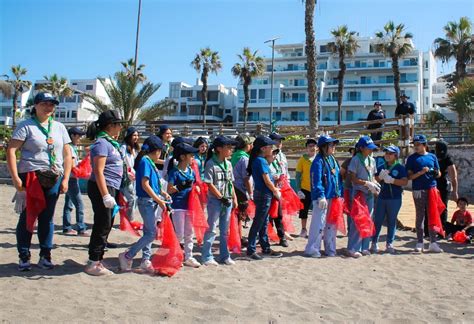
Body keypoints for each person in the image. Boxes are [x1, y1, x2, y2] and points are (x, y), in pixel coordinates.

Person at [7, 92, 72, 271]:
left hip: (54, 177)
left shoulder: (59, 127)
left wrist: (66, 178)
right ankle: (24, 255)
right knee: (28, 215)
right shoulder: (25, 126)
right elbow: (11, 151)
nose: (49, 107)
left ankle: (45, 255)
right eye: (44, 103)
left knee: (47, 218)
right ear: (35, 106)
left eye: (52, 104)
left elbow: (67, 154)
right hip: (32, 176)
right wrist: (16, 180)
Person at [118, 135, 170, 273]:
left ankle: (145, 259)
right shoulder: (145, 162)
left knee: (148, 231)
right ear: (156, 150)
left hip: (151, 200)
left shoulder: (148, 162)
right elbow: (145, 184)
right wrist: (159, 200)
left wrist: (162, 194)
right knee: (151, 233)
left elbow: (153, 183)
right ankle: (128, 255)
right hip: (146, 201)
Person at [84, 110, 126, 276]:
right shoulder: (102, 143)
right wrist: (105, 195)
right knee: (102, 223)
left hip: (111, 186)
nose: (120, 128)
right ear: (111, 126)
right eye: (118, 125)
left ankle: (97, 259)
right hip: (103, 186)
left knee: (107, 223)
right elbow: (99, 171)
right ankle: (94, 262)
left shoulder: (110, 143)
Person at [201, 136, 238, 266]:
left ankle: (224, 255)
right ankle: (206, 256)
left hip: (227, 200)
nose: (230, 150)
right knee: (211, 228)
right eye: (228, 147)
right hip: (215, 201)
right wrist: (220, 197)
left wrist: (234, 198)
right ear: (219, 149)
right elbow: (209, 184)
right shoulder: (211, 163)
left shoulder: (228, 163)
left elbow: (230, 182)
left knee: (225, 230)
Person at [304, 135, 342, 258]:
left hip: (333, 196)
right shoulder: (318, 161)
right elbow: (316, 180)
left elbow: (337, 178)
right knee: (318, 224)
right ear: (324, 147)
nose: (334, 147)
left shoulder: (333, 159)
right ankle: (312, 248)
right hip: (322, 198)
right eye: (331, 145)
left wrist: (339, 193)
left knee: (331, 225)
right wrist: (320, 196)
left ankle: (330, 248)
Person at [246, 135, 283, 260]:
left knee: (263, 221)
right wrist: (275, 190)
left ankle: (265, 246)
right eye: (270, 146)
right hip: (264, 193)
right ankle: (251, 249)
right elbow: (266, 180)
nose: (272, 148)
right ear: (263, 148)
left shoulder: (259, 160)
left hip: (262, 193)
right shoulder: (260, 161)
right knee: (259, 222)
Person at [406, 134, 443, 253]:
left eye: (418, 144)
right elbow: (410, 176)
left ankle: (433, 242)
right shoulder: (411, 158)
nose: (416, 146)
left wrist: (435, 173)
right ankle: (420, 242)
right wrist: (421, 173)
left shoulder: (432, 156)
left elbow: (439, 174)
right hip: (418, 189)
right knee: (420, 216)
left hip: (432, 189)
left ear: (424, 145)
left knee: (433, 215)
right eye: (414, 144)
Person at [167, 143, 202, 268]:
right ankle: (174, 256)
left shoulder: (191, 171)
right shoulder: (174, 172)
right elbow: (169, 189)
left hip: (189, 205)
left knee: (189, 232)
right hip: (178, 206)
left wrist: (196, 188)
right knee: (179, 233)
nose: (193, 157)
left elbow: (194, 185)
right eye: (191, 155)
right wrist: (180, 186)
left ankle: (189, 256)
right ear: (182, 157)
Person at [347, 136, 380, 258]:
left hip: (369, 194)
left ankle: (364, 246)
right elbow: (353, 179)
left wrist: (375, 184)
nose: (371, 150)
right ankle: (352, 248)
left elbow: (373, 176)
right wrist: (366, 183)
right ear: (361, 148)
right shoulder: (355, 160)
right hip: (359, 194)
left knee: (368, 220)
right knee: (357, 220)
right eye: (368, 148)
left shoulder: (372, 160)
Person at [372, 145, 408, 254]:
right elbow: (376, 179)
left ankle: (389, 243)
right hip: (382, 197)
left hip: (395, 198)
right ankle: (374, 242)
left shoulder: (400, 168)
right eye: (386, 153)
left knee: (392, 221)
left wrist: (392, 180)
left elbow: (405, 182)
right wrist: (381, 177)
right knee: (377, 220)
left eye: (390, 153)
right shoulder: (382, 166)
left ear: (395, 155)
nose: (387, 155)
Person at [62, 126, 88, 236]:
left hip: (70, 178)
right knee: (79, 204)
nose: (80, 138)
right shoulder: (70, 148)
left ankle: (67, 227)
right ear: (72, 136)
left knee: (68, 204)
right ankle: (81, 228)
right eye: (79, 136)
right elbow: (73, 165)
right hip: (72, 179)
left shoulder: (70, 147)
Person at [231, 135, 254, 246]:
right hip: (240, 189)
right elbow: (246, 178)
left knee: (236, 215)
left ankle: (236, 236)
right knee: (239, 215)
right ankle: (237, 238)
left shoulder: (234, 155)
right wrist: (250, 192)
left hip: (234, 187)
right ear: (247, 145)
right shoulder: (244, 158)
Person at [295, 138, 318, 238]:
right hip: (305, 189)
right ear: (306, 148)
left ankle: (316, 230)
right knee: (304, 210)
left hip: (317, 189)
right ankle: (303, 229)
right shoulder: (302, 159)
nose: (312, 148)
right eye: (310, 146)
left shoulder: (319, 159)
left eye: (314, 146)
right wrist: (299, 189)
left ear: (317, 147)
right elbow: (298, 175)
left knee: (317, 211)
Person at [120, 127, 140, 221]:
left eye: (137, 135)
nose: (136, 137)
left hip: (132, 175)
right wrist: (127, 172)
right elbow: (122, 161)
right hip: (126, 176)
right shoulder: (123, 147)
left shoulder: (134, 148)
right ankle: (129, 220)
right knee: (131, 199)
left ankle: (128, 219)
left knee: (133, 198)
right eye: (134, 135)